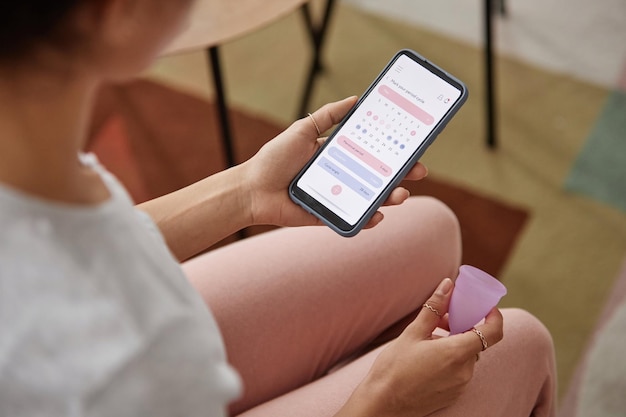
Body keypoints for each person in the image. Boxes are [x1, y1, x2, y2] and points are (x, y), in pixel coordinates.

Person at [0, 0, 557, 416]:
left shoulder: (27, 148)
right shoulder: (84, 364)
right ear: (116, 13)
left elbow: (62, 246)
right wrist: (380, 401)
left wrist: (244, 193)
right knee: (524, 343)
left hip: (113, 318)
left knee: (428, 226)